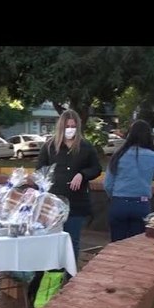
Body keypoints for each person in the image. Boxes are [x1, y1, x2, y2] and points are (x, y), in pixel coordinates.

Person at [36, 109, 102, 263]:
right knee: (52, 240)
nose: (70, 129)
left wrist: (82, 174)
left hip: (76, 202)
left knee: (72, 241)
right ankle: (52, 273)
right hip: (53, 203)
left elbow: (96, 168)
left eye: (73, 126)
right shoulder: (49, 147)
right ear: (61, 127)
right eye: (67, 126)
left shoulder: (86, 147)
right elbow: (40, 170)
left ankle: (70, 274)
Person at [104, 119, 154, 242]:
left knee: (117, 244)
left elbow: (108, 184)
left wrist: (114, 197)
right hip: (141, 203)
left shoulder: (118, 155)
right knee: (137, 245)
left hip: (119, 202)